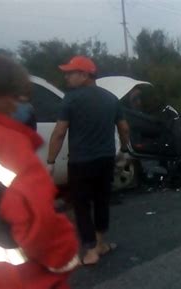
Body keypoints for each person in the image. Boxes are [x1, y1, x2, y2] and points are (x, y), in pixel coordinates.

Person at [0, 54, 79, 289]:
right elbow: (39, 223)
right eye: (16, 95)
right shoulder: (5, 146)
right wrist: (65, 258)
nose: (19, 103)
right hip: (15, 279)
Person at [47, 55, 130, 265]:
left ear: (84, 74)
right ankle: (101, 243)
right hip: (105, 160)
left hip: (80, 162)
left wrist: (50, 161)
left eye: (70, 73)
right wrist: (125, 150)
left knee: (81, 205)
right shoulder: (111, 99)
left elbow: (59, 132)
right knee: (102, 201)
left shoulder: (71, 99)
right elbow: (124, 127)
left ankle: (91, 250)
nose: (66, 77)